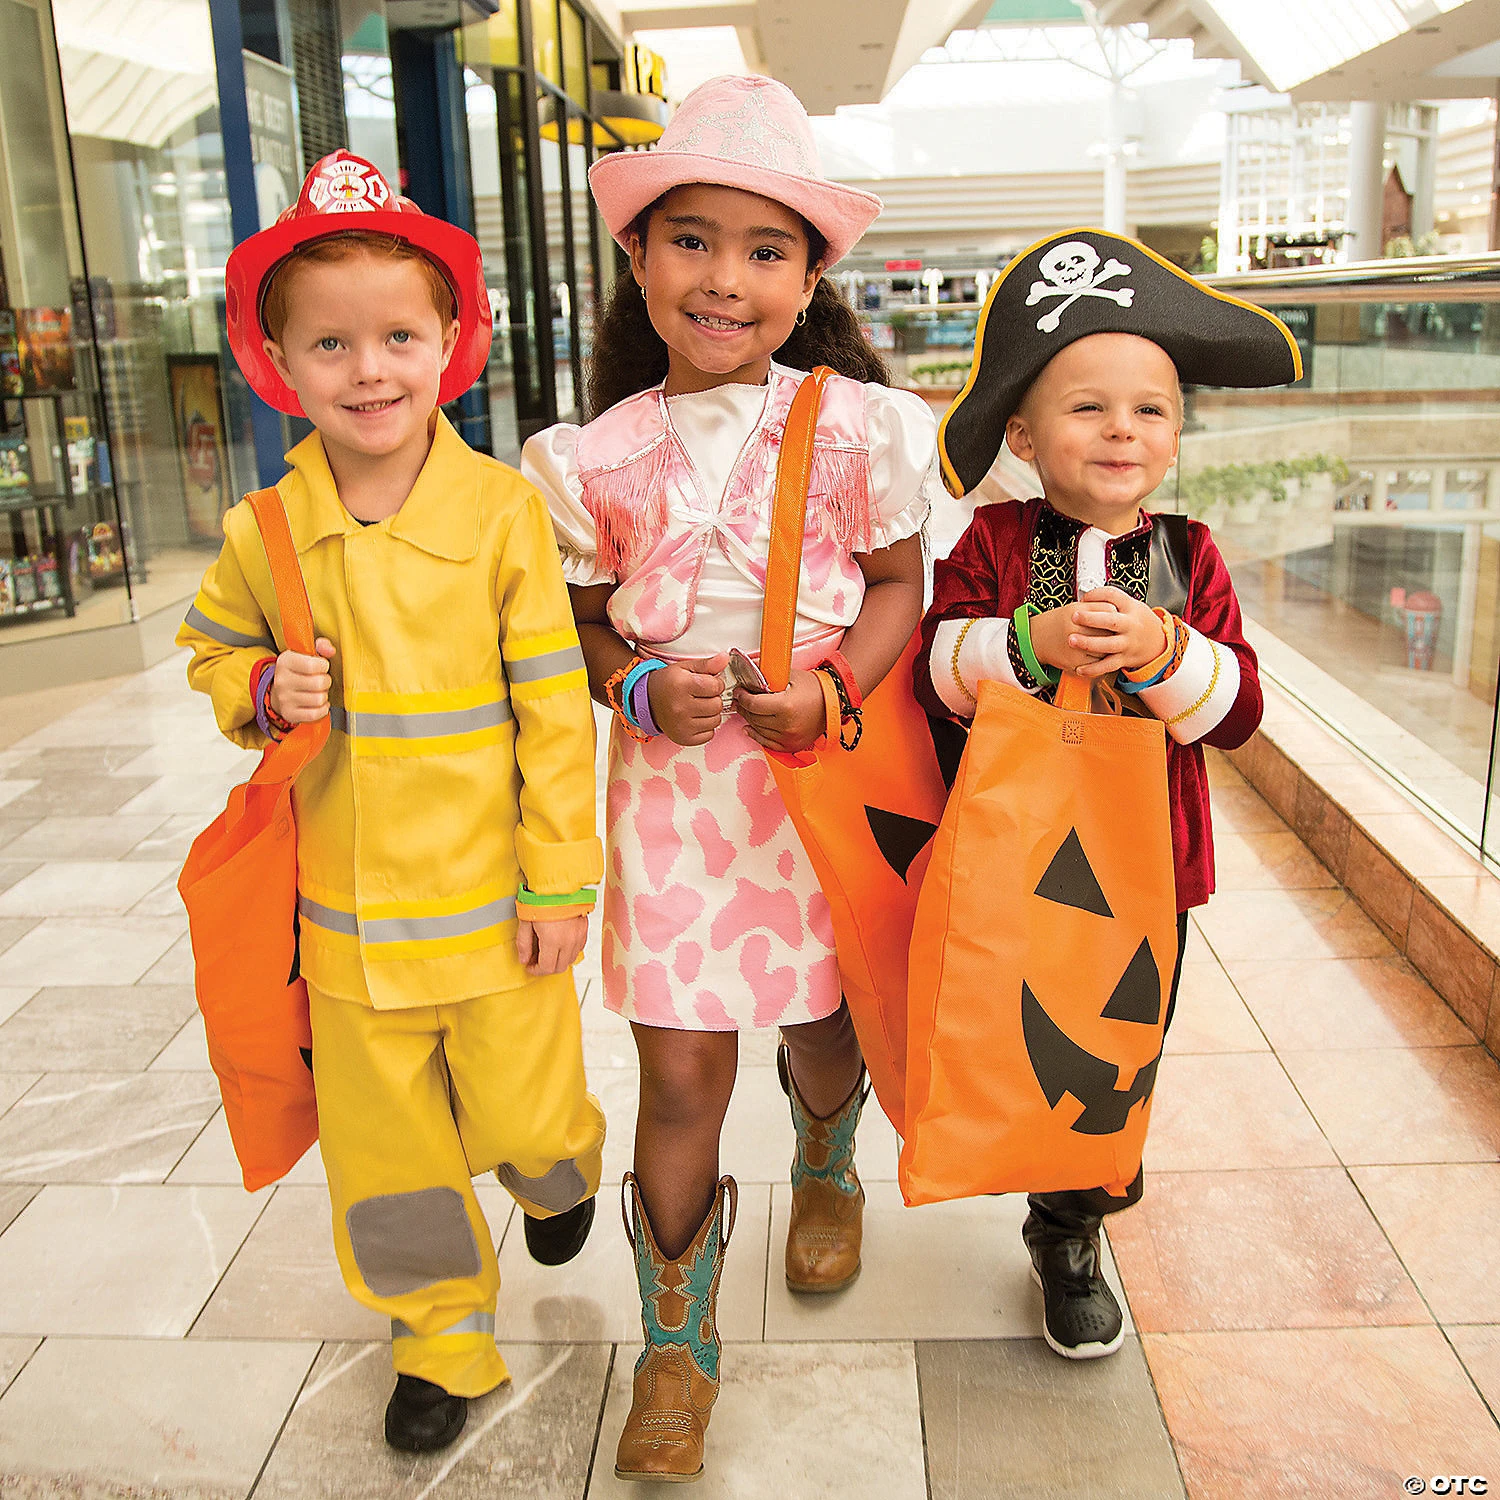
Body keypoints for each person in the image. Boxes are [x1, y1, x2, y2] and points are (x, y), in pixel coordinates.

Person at [523, 74, 939, 1484]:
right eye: (690, 239)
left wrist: (832, 688)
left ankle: (829, 1160)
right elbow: (576, 626)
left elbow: (900, 584)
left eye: (767, 251)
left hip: (816, 782)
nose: (724, 277)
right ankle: (677, 1346)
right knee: (682, 1071)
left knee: (825, 1023)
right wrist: (636, 682)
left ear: (810, 277)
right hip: (672, 799)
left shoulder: (859, 429)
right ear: (637, 258)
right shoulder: (593, 458)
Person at [177, 151, 605, 1453]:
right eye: (332, 345)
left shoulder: (501, 516)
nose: (370, 371)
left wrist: (561, 880)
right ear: (279, 363)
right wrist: (260, 684)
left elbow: (549, 708)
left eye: (400, 337)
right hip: (351, 932)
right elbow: (211, 657)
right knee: (388, 1164)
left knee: (527, 1115)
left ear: (452, 345)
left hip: (495, 914)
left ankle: (557, 1167)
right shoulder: (265, 531)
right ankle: (441, 1339)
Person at [916, 228, 1301, 1361]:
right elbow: (937, 675)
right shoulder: (989, 543)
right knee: (1005, 1026)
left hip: (1149, 875)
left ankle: (1071, 1229)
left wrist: (1168, 648)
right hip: (1014, 858)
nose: (1123, 430)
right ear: (1025, 436)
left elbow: (1235, 713)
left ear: (1176, 433)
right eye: (1089, 409)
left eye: (1151, 410)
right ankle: (998, 1156)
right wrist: (1022, 643)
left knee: (1118, 1053)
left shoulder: (1193, 554)